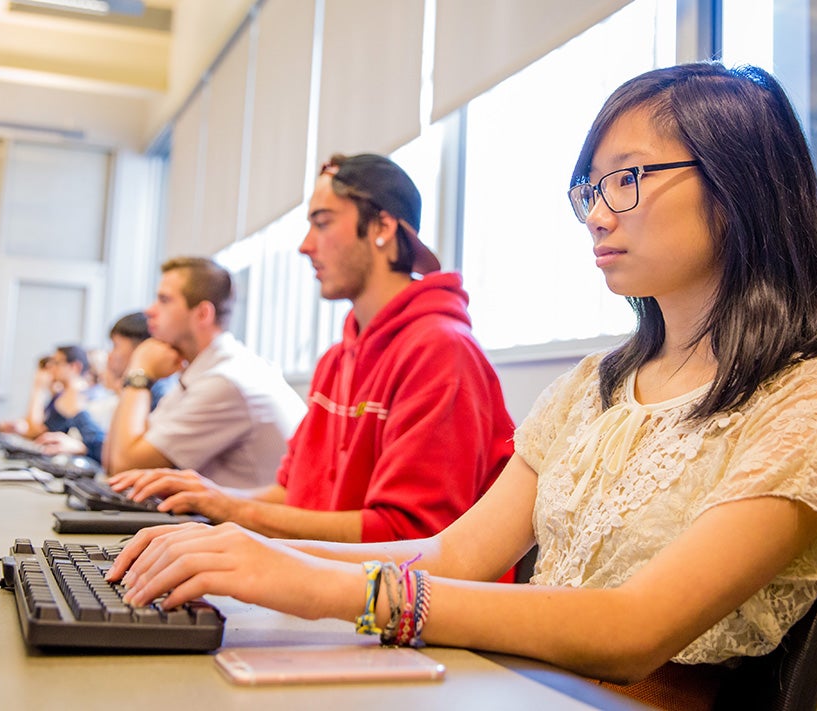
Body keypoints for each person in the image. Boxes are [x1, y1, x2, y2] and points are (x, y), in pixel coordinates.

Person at [106, 63, 817, 710]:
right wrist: (252, 552)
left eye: (627, 179)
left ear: (739, 183)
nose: (596, 215)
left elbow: (634, 628)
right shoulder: (596, 386)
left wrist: (314, 584)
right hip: (497, 683)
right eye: (591, 188)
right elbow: (458, 553)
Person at [109, 154, 515, 544]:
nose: (305, 246)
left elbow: (408, 539)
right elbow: (292, 497)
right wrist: (208, 498)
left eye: (322, 223)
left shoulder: (442, 352)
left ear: (383, 227)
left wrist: (231, 509)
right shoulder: (338, 361)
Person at [100, 257, 306, 490]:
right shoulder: (199, 372)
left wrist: (139, 373)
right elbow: (111, 462)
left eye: (164, 300)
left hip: (250, 525)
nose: (150, 310)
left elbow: (125, 467)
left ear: (202, 314)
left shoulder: (225, 381)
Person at [36, 312, 177, 458]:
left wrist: (78, 413)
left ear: (141, 350)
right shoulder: (141, 390)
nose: (110, 356)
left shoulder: (158, 394)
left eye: (115, 346)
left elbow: (119, 457)